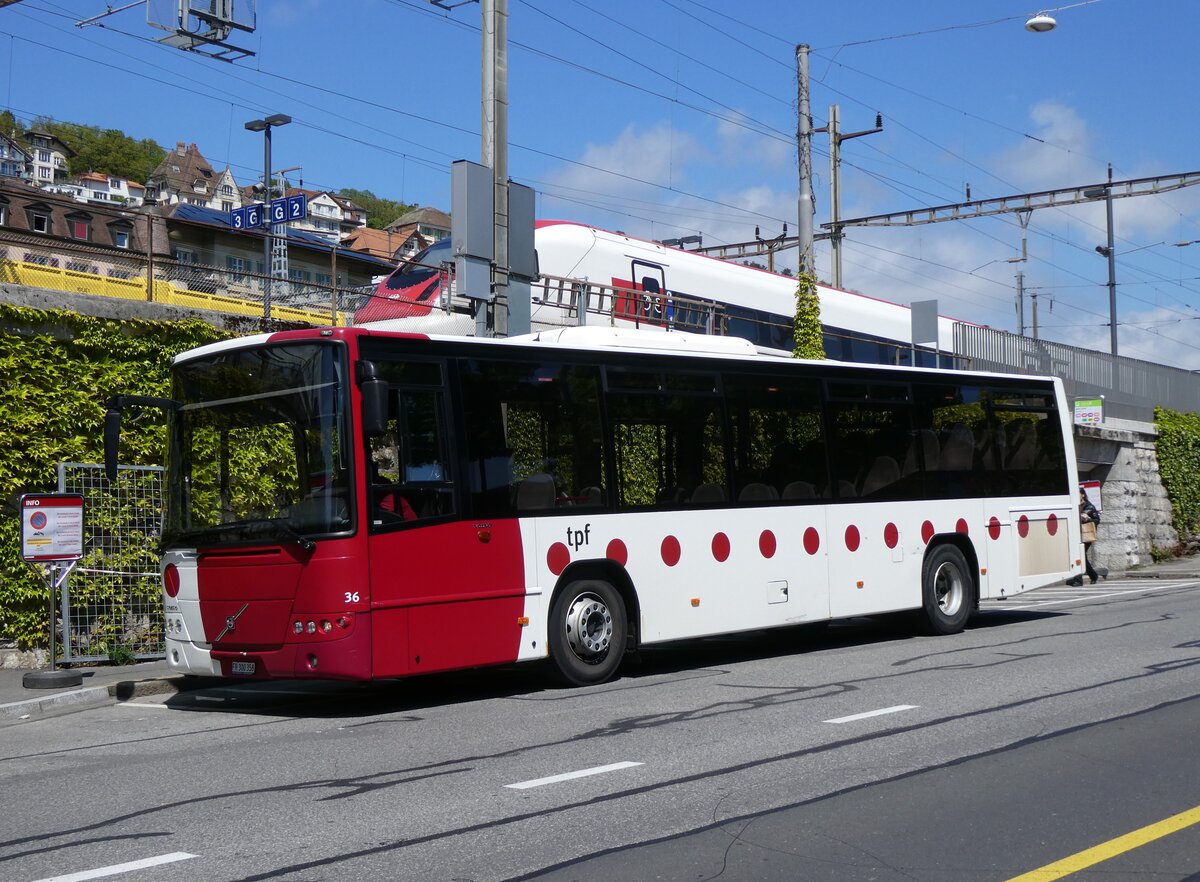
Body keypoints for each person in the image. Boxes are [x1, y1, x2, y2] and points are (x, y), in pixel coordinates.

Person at [1070, 488, 1100, 586]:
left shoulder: (1089, 506)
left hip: (1085, 535)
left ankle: (1078, 580)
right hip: (1075, 534)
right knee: (1080, 556)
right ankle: (1093, 575)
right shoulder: (1074, 506)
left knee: (1079, 555)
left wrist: (1089, 519)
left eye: (1077, 493)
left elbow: (1097, 520)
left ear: (1082, 495)